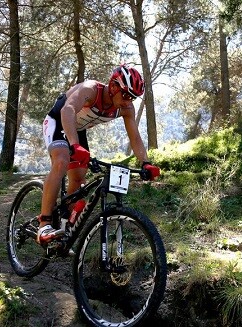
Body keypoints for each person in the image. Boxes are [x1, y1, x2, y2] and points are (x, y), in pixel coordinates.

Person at [37, 65, 160, 244]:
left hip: (77, 129)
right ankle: (44, 224)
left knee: (79, 180)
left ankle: (64, 229)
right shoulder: (91, 90)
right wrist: (74, 145)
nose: (128, 101)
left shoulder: (126, 108)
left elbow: (134, 136)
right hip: (59, 121)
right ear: (113, 87)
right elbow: (67, 110)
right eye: (126, 95)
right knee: (62, 161)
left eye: (133, 97)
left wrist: (146, 163)